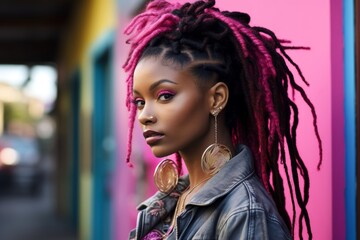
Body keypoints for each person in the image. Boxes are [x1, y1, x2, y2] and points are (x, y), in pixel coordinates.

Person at [123, 0, 322, 239]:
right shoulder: (174, 199)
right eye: (140, 102)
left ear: (216, 98)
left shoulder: (245, 213)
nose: (145, 116)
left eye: (164, 96)